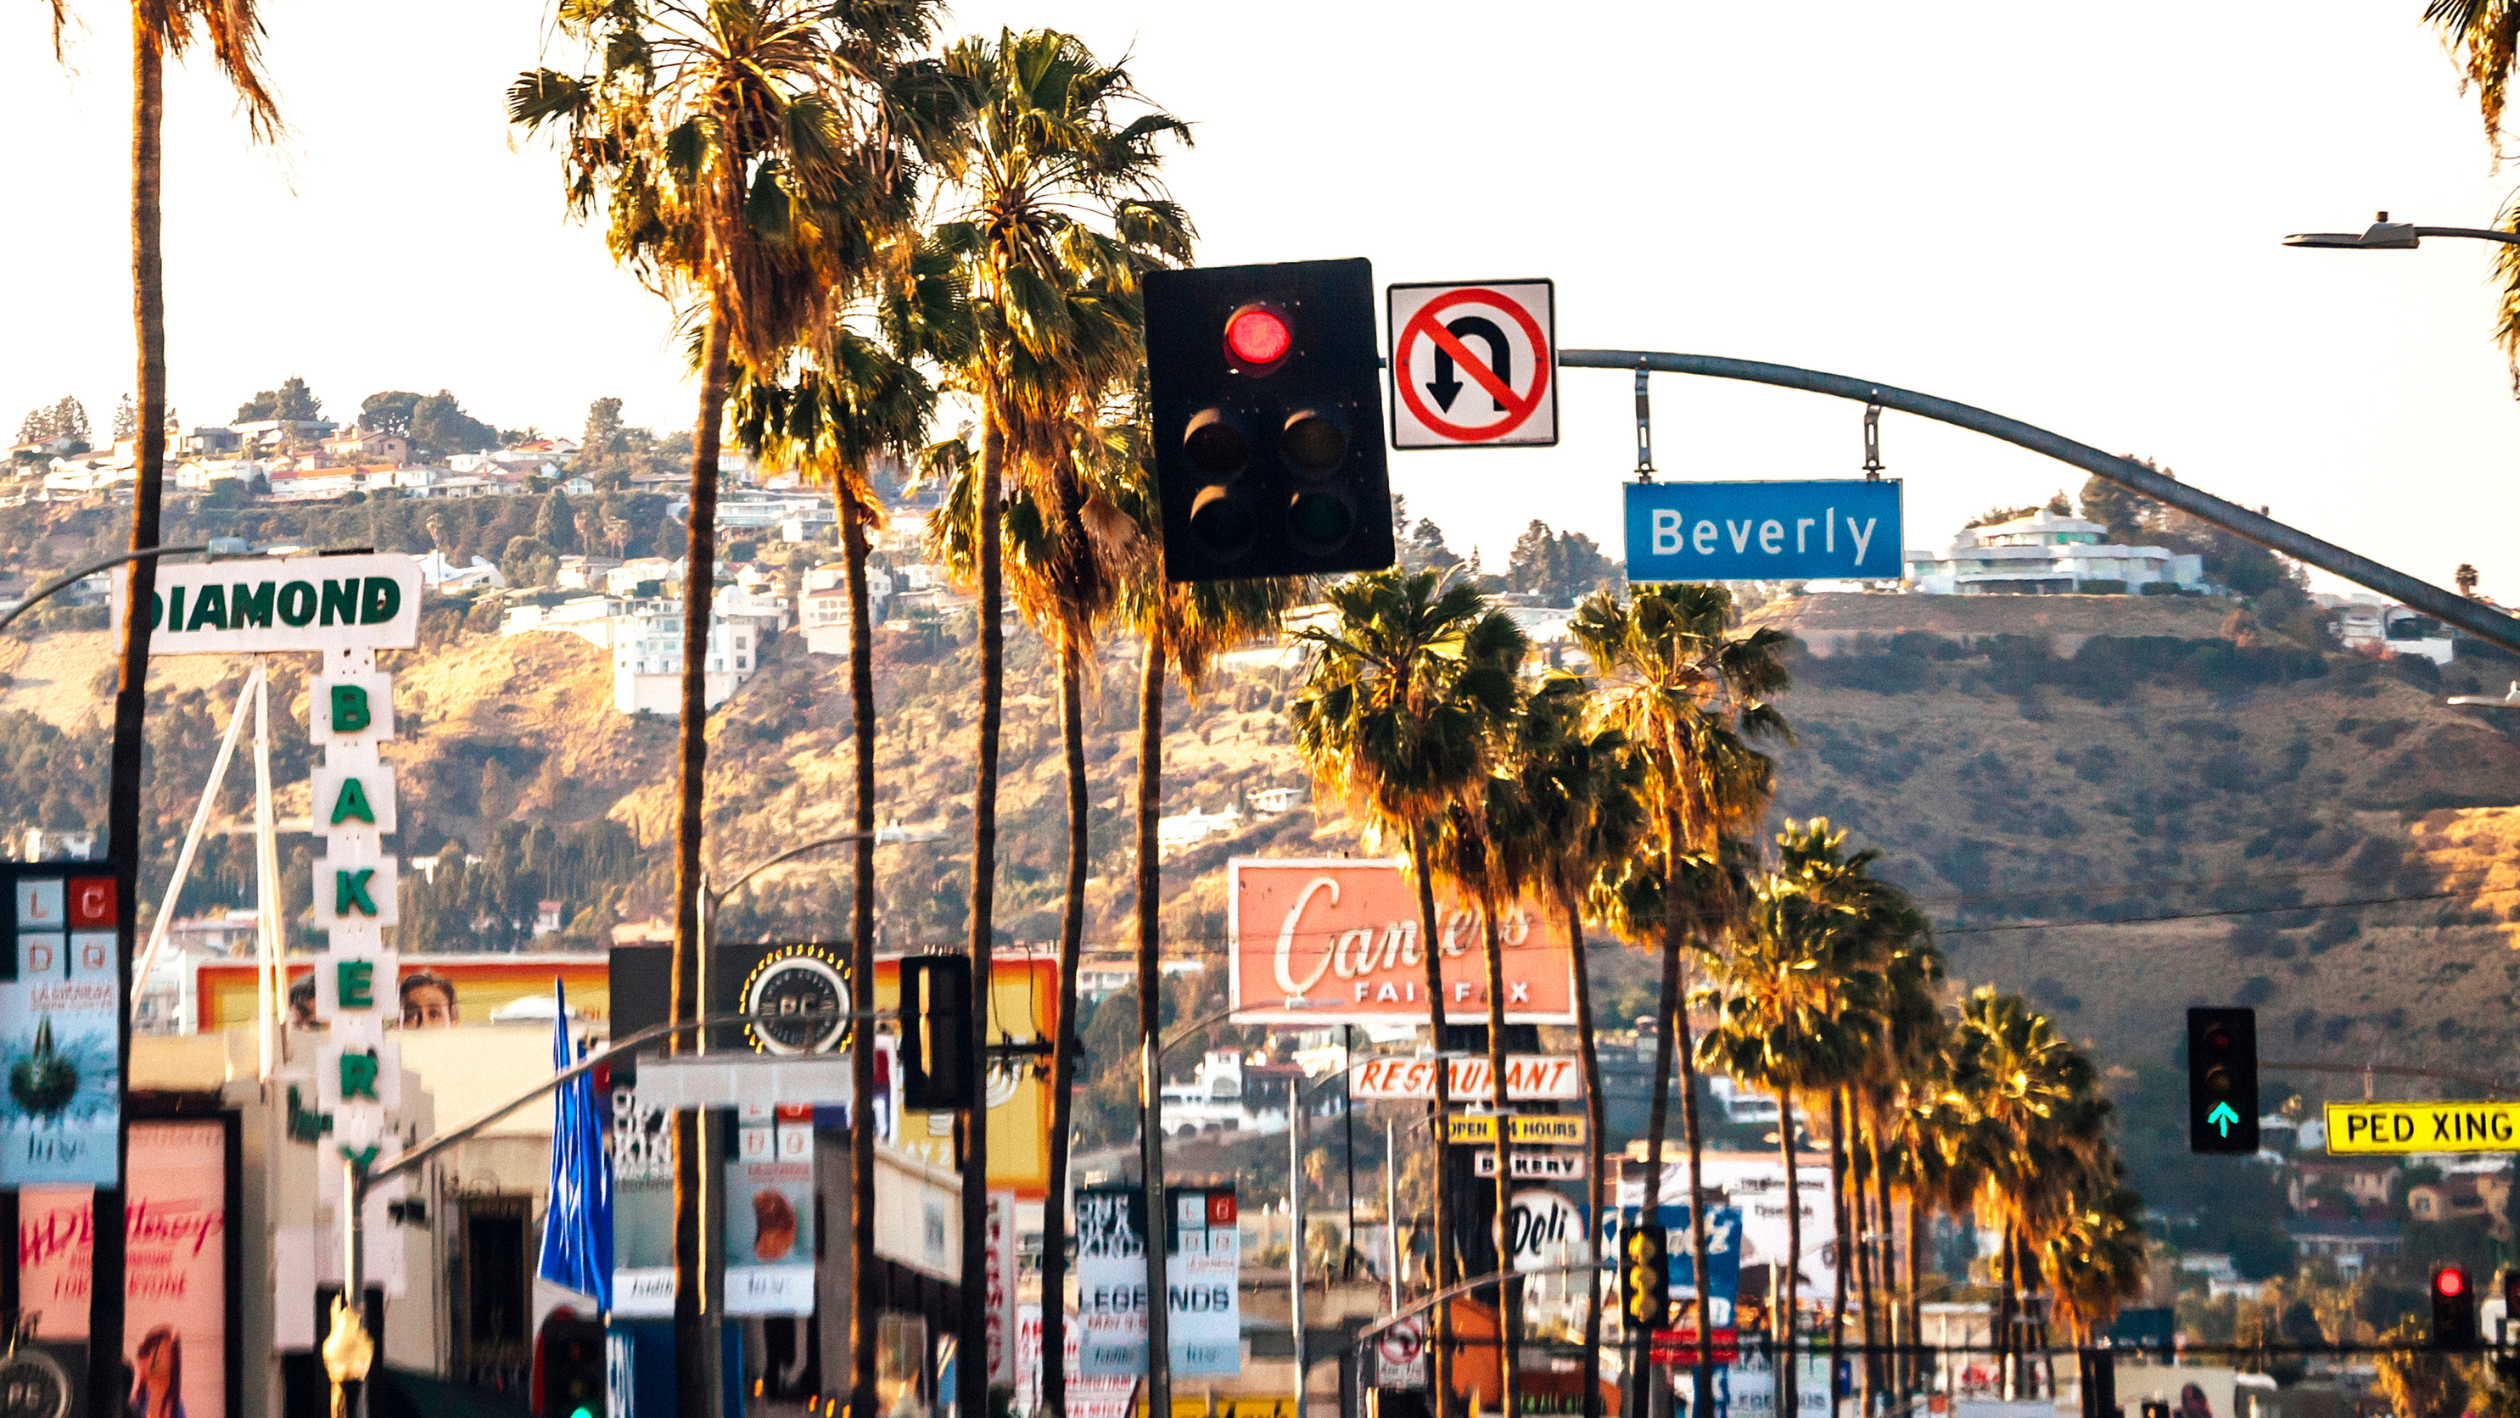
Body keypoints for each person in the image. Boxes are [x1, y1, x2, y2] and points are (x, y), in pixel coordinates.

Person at [128, 1326, 181, 1418]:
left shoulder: (175, 1408)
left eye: (164, 1352)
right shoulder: (136, 1405)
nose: (156, 1358)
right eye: (149, 1353)